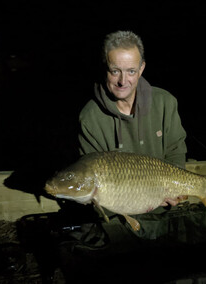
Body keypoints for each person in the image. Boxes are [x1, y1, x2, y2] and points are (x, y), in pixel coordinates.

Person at [78, 30, 187, 208]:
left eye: (131, 71)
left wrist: (173, 190)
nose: (123, 81)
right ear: (105, 68)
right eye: (115, 71)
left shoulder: (165, 102)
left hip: (163, 196)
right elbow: (91, 176)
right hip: (119, 206)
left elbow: (176, 150)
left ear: (141, 68)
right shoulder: (90, 118)